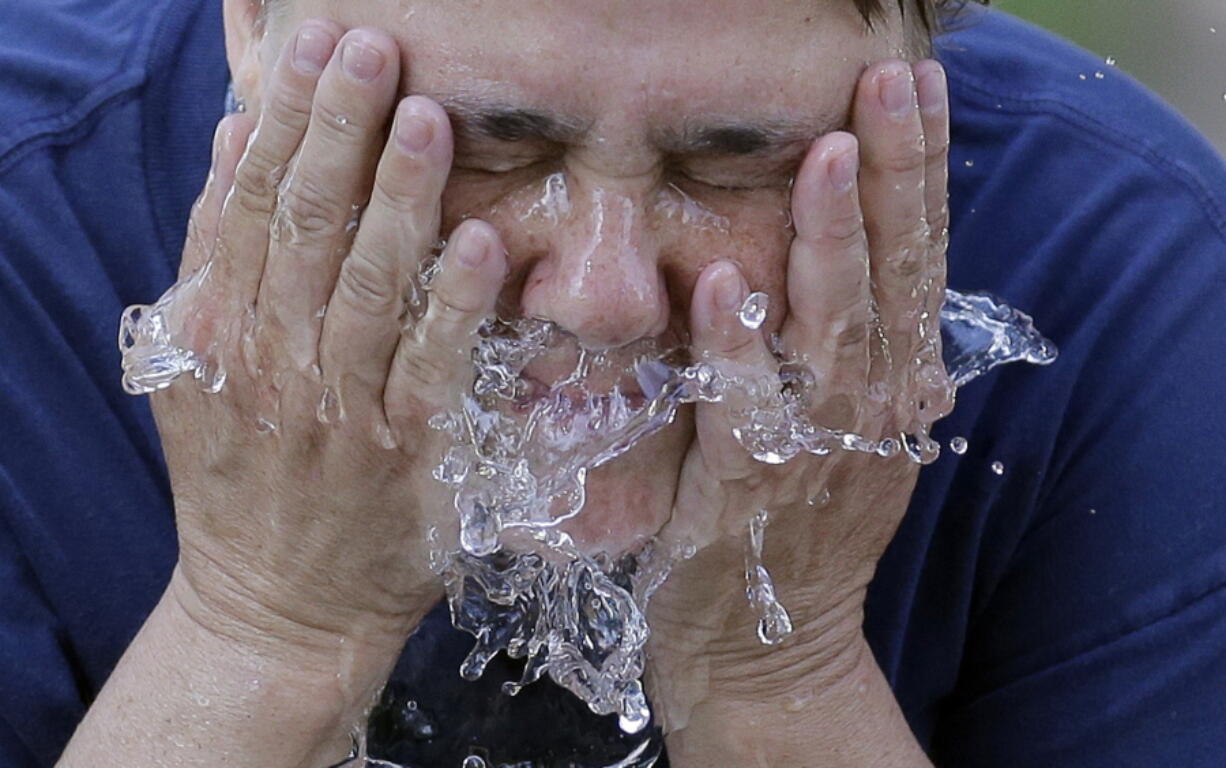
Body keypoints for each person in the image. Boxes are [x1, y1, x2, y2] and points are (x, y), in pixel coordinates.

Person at [1, 0, 1223, 765]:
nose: (603, 297)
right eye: (486, 146)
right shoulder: (25, 228)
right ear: (253, 25)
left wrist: (774, 672)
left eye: (734, 166)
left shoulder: (1124, 281)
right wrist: (261, 627)